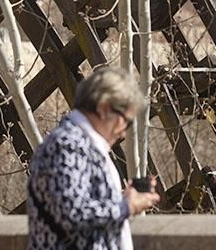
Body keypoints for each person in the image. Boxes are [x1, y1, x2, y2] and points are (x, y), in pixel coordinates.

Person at [27, 66, 160, 250]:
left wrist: (125, 198)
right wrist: (126, 206)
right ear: (104, 108)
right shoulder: (67, 145)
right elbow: (72, 213)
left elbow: (75, 203)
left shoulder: (80, 145)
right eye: (126, 122)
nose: (123, 133)